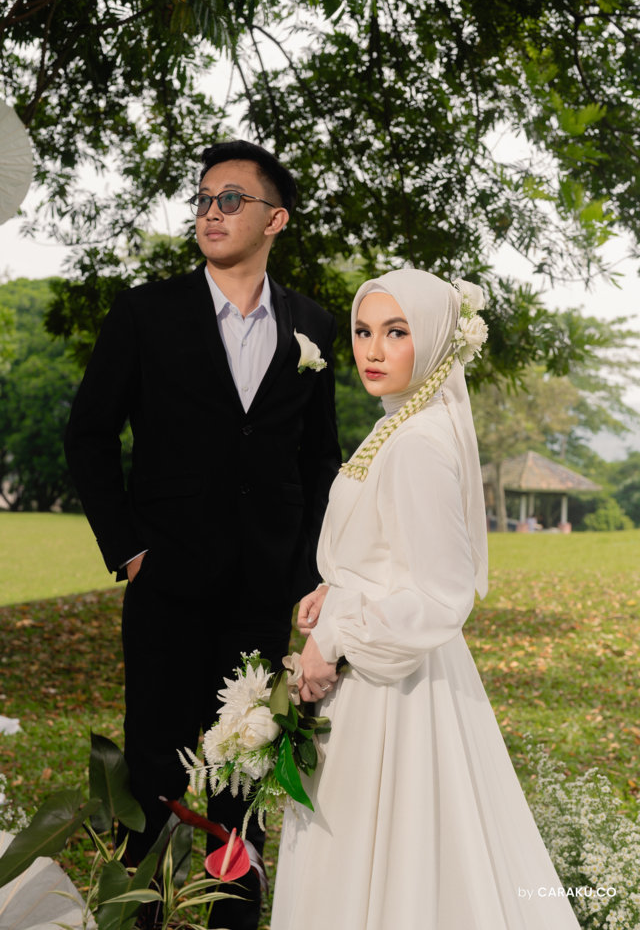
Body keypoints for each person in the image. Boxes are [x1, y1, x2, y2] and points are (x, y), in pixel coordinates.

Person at [64, 140, 341, 930]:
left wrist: (306, 571)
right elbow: (89, 434)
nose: (210, 212)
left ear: (275, 220)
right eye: (204, 199)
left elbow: (319, 458)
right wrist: (128, 548)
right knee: (152, 769)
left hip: (263, 591)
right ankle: (139, 917)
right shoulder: (145, 313)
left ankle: (233, 921)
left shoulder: (312, 326)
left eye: (231, 199)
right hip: (166, 584)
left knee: (242, 779)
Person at [271, 270, 581, 930]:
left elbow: (440, 595)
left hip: (395, 691)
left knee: (389, 855)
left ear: (437, 339)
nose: (372, 350)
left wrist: (336, 636)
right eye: (363, 332)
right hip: (370, 670)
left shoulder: (417, 444)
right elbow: (391, 550)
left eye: (396, 332)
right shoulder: (396, 424)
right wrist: (335, 587)